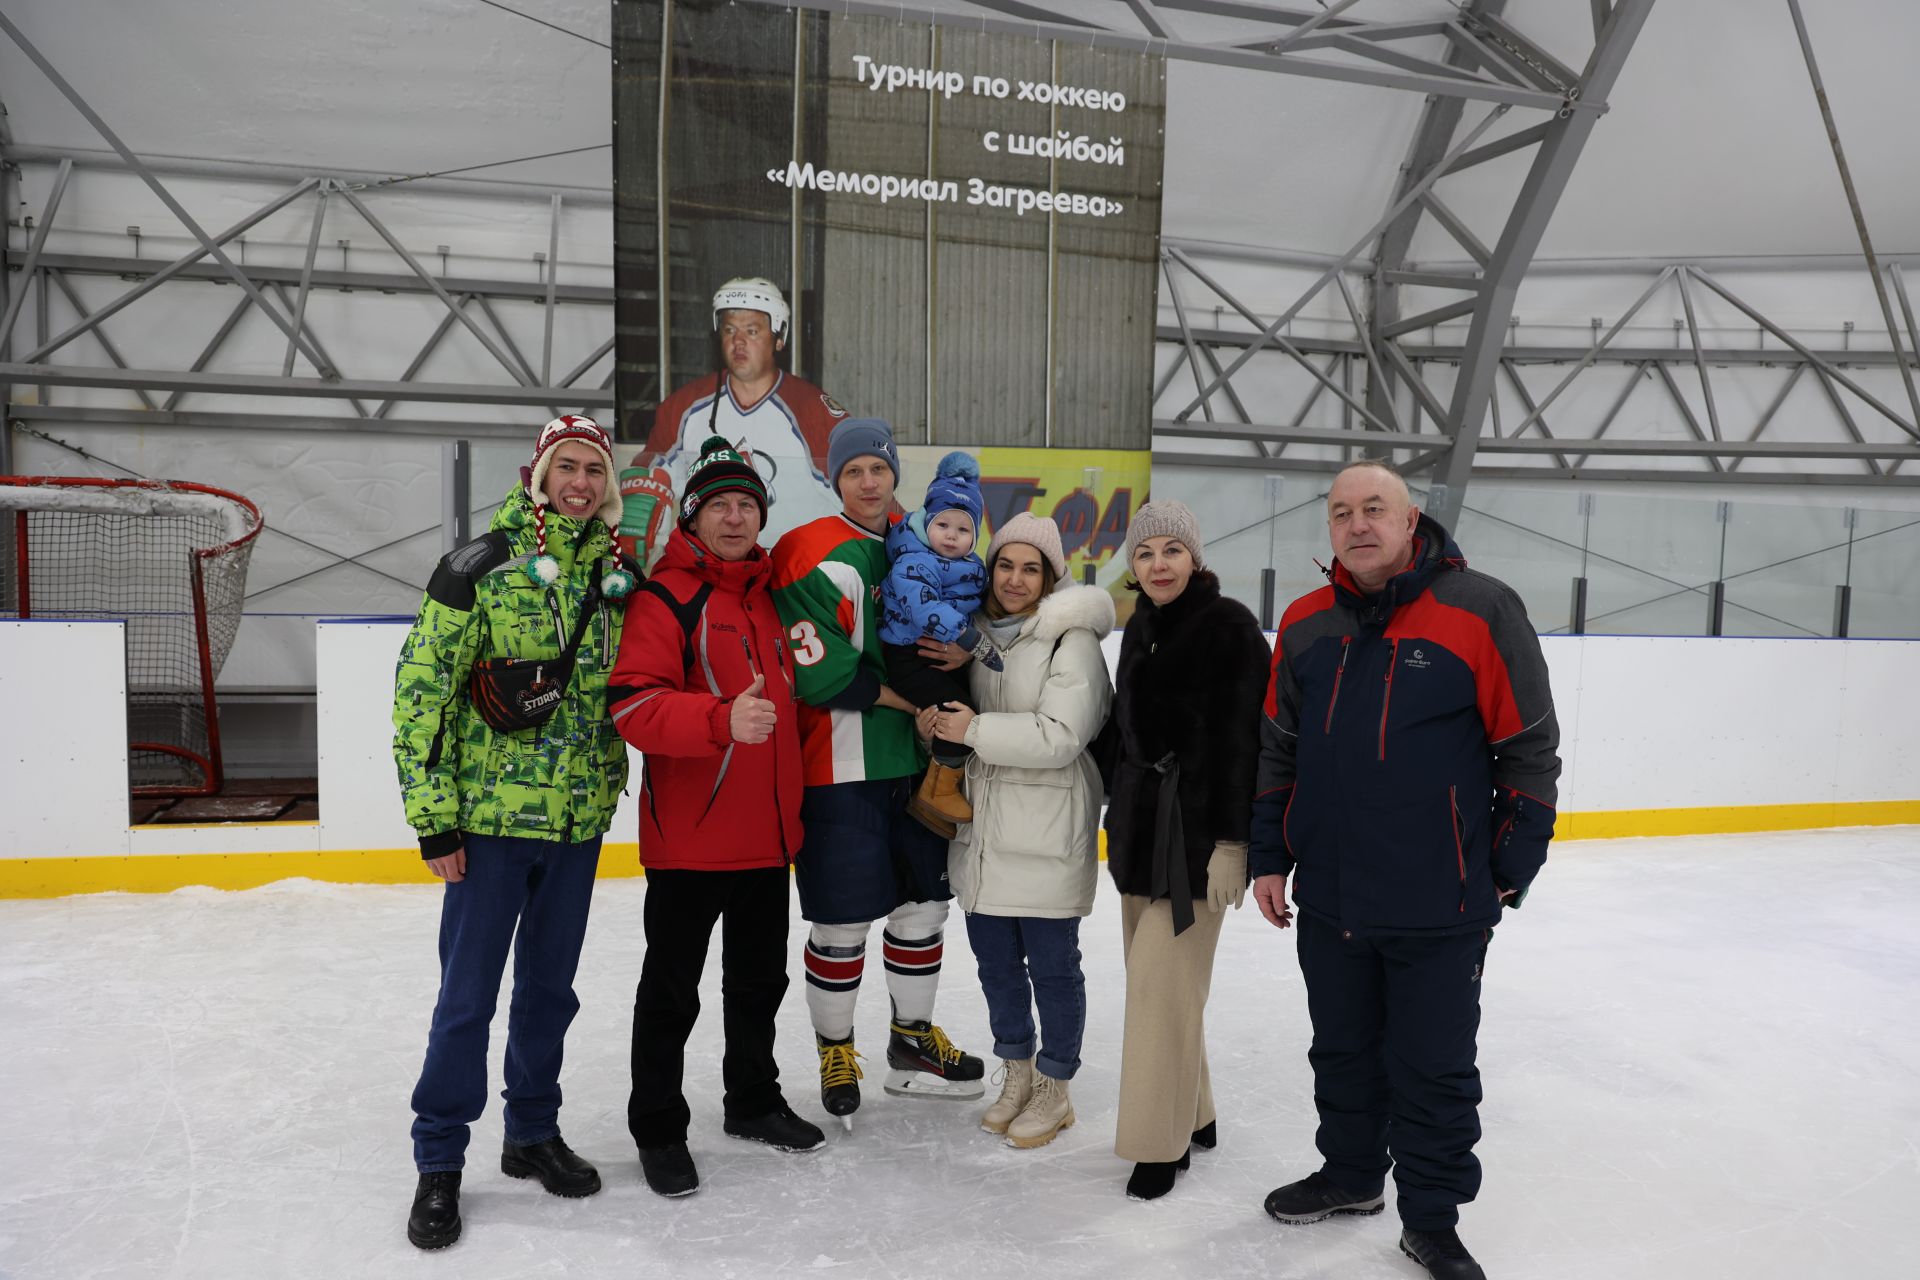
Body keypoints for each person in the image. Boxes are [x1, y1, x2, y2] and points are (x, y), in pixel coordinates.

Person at [1250, 459, 1561, 1280]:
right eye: (1342, 511)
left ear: (1410, 516)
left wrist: (1507, 866)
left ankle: (1431, 1219)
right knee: (1343, 1052)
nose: (1358, 524)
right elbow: (1277, 750)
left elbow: (1528, 748)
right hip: (1333, 894)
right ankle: (1351, 1177)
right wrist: (1269, 855)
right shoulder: (1307, 622)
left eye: (1374, 508)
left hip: (1441, 899)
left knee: (1432, 1067)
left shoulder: (1480, 607)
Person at [392, 413, 639, 1251]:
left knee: (549, 991)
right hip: (489, 827)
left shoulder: (617, 573)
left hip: (575, 826)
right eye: (566, 467)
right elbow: (420, 692)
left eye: (594, 471)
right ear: (538, 474)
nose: (580, 483)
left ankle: (531, 1131)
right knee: (467, 1000)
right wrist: (434, 821)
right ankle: (439, 1160)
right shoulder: (480, 565)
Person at [606, 436, 823, 1199]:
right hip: (691, 846)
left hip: (767, 843)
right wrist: (720, 721)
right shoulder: (666, 597)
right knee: (671, 995)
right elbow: (633, 703)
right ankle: (659, 1127)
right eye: (719, 506)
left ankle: (752, 1101)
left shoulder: (766, 599)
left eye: (748, 505)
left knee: (759, 984)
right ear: (692, 519)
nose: (735, 518)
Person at [771, 416, 985, 1128]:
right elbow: (818, 671)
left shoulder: (927, 536)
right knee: (839, 922)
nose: (869, 481)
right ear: (836, 478)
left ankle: (912, 1039)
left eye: (880, 469)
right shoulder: (805, 550)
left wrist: (960, 663)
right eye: (854, 470)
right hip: (839, 767)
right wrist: (908, 702)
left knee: (923, 910)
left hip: (922, 765)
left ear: (897, 475)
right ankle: (836, 1049)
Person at [1100, 500, 1272, 1202]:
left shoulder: (1230, 628)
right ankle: (1194, 1112)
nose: (1159, 563)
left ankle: (1155, 1146)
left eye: (1172, 550)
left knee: (1156, 994)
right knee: (1164, 992)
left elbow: (1246, 744)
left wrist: (1235, 843)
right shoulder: (1139, 626)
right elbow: (1124, 732)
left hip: (1196, 844)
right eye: (1145, 553)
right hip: (1140, 835)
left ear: (1195, 559)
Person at [924, 513, 1113, 1149]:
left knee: (1054, 969)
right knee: (997, 967)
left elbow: (1060, 736)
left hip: (1045, 828)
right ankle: (1018, 1072)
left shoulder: (1071, 640)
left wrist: (970, 730)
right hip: (983, 829)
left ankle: (1055, 1087)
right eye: (1005, 564)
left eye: (1030, 568)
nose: (1014, 578)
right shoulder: (974, 635)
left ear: (1050, 577)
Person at [643, 277, 850, 546]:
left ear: (779, 338)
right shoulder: (683, 406)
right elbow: (647, 480)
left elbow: (863, 484)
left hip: (796, 571)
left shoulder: (813, 409)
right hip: (711, 570)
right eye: (729, 330)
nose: (738, 342)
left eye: (751, 331)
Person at [878, 449, 1002, 835]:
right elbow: (921, 604)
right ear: (926, 524)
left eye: (963, 530)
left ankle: (936, 792)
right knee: (957, 709)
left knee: (964, 707)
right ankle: (938, 791)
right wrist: (969, 638)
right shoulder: (915, 560)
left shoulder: (970, 566)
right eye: (943, 525)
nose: (952, 535)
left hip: (936, 651)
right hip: (908, 654)